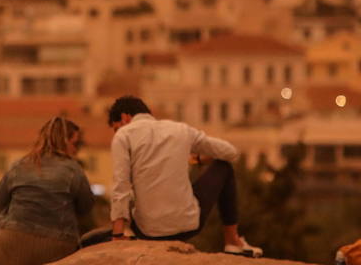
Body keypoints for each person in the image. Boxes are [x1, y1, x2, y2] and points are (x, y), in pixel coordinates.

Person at [102, 96, 262, 256]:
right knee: (224, 167)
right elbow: (231, 152)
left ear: (124, 117)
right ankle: (232, 240)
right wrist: (200, 159)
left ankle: (124, 232)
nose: (117, 132)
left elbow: (120, 187)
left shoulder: (123, 136)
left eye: (116, 128)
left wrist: (117, 236)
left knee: (130, 196)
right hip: (188, 226)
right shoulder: (181, 130)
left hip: (148, 231)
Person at [0, 116, 94, 265]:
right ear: (64, 142)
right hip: (58, 248)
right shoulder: (74, 170)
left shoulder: (20, 164)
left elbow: (0, 200)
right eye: (75, 144)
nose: (77, 150)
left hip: (13, 240)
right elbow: (86, 206)